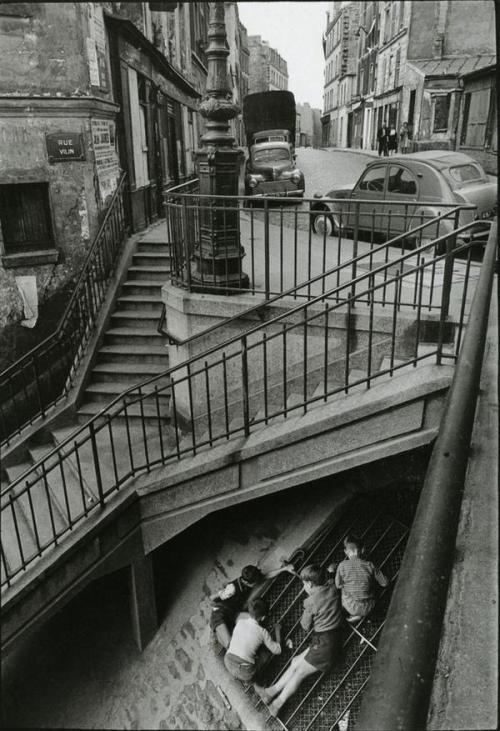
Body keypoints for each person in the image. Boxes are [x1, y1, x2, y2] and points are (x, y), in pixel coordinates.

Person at [254, 563, 343, 717]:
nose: (303, 586)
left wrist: (309, 604)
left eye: (304, 583)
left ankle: (277, 704)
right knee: (296, 662)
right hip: (329, 637)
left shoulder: (310, 602)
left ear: (309, 584)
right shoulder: (332, 588)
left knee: (300, 672)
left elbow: (305, 626)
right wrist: (331, 571)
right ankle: (270, 692)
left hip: (325, 646)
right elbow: (330, 578)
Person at [210, 562, 295, 649]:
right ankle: (219, 634)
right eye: (255, 583)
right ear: (246, 582)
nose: (257, 584)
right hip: (220, 614)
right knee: (229, 645)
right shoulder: (232, 588)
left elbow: (266, 576)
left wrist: (284, 569)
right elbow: (211, 599)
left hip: (234, 614)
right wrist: (221, 593)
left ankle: (275, 642)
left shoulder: (250, 578)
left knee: (255, 620)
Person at [224, 597, 282, 682]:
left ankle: (237, 673)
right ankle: (257, 681)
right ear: (263, 618)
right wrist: (278, 631)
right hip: (245, 673)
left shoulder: (240, 622)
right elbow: (277, 650)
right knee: (265, 654)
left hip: (228, 661)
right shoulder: (262, 632)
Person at [333, 535, 389, 622]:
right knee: (371, 586)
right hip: (368, 606)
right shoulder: (370, 565)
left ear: (345, 552)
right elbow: (385, 583)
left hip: (350, 606)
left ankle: (355, 615)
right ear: (363, 550)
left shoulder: (342, 565)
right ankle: (365, 615)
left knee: (344, 588)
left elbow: (338, 585)